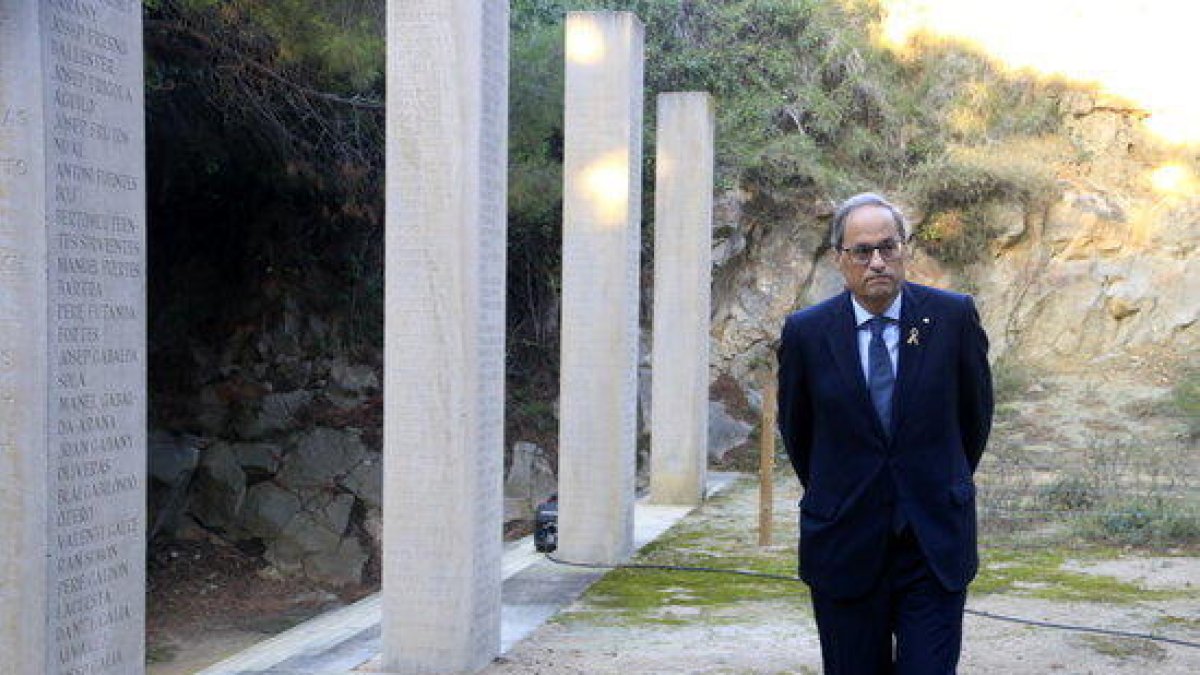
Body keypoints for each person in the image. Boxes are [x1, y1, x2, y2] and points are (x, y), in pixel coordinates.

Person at [776, 192, 993, 674]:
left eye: (888, 247)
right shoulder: (807, 333)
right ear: (840, 259)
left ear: (904, 250)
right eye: (862, 251)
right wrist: (848, 489)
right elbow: (799, 433)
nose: (877, 261)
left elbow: (974, 421)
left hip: (932, 541)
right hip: (845, 542)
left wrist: (933, 481)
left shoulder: (952, 318)